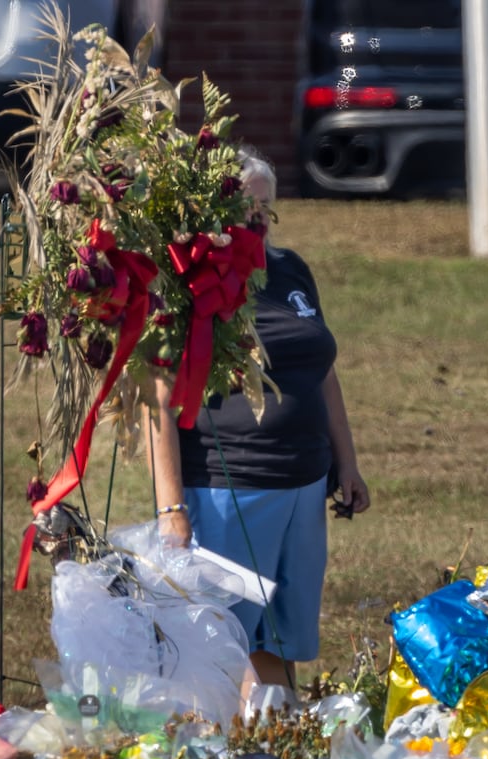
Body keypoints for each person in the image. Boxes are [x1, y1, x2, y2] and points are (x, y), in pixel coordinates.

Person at [145, 153, 371, 698]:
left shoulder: (291, 269)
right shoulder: (186, 284)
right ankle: (228, 757)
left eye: (266, 207)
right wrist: (171, 507)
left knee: (279, 640)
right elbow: (158, 403)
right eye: (242, 206)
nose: (257, 219)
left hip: (304, 484)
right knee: (224, 642)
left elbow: (323, 372)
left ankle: (278, 749)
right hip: (230, 488)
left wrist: (348, 462)